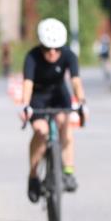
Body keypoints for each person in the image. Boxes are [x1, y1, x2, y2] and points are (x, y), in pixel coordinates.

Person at [20, 18, 87, 200]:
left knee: (65, 125)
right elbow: (27, 83)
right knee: (41, 131)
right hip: (38, 97)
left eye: (56, 48)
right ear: (40, 45)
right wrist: (25, 105)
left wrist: (81, 101)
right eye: (47, 48)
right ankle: (33, 176)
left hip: (59, 95)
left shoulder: (69, 55)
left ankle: (68, 172)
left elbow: (75, 81)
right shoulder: (32, 57)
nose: (52, 53)